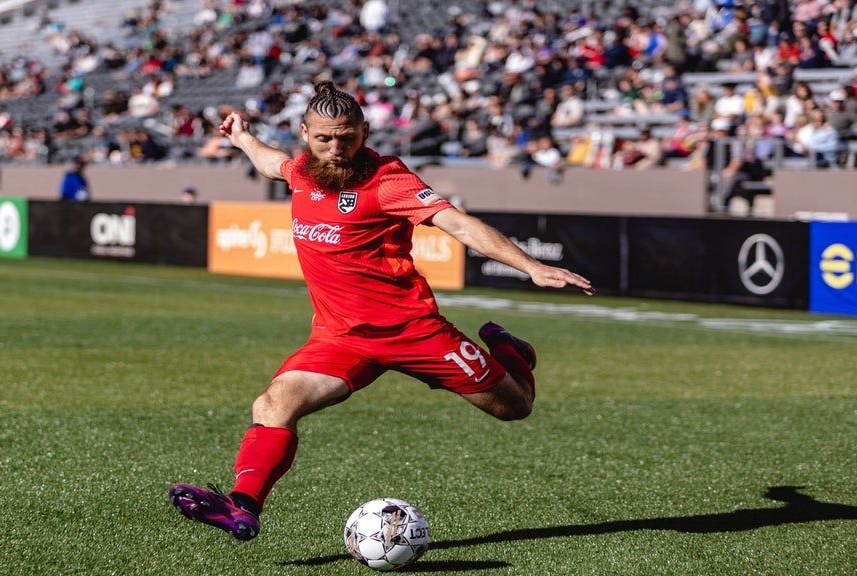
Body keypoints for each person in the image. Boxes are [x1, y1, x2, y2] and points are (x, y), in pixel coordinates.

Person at [167, 82, 593, 541]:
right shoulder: (302, 171)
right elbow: (272, 163)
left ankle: (510, 352)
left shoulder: (389, 181)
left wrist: (530, 266)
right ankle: (242, 505)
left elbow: (459, 223)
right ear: (305, 133)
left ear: (365, 131)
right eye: (324, 139)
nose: (336, 149)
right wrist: (243, 137)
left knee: (515, 408)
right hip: (340, 337)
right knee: (273, 403)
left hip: (415, 332)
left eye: (347, 137)